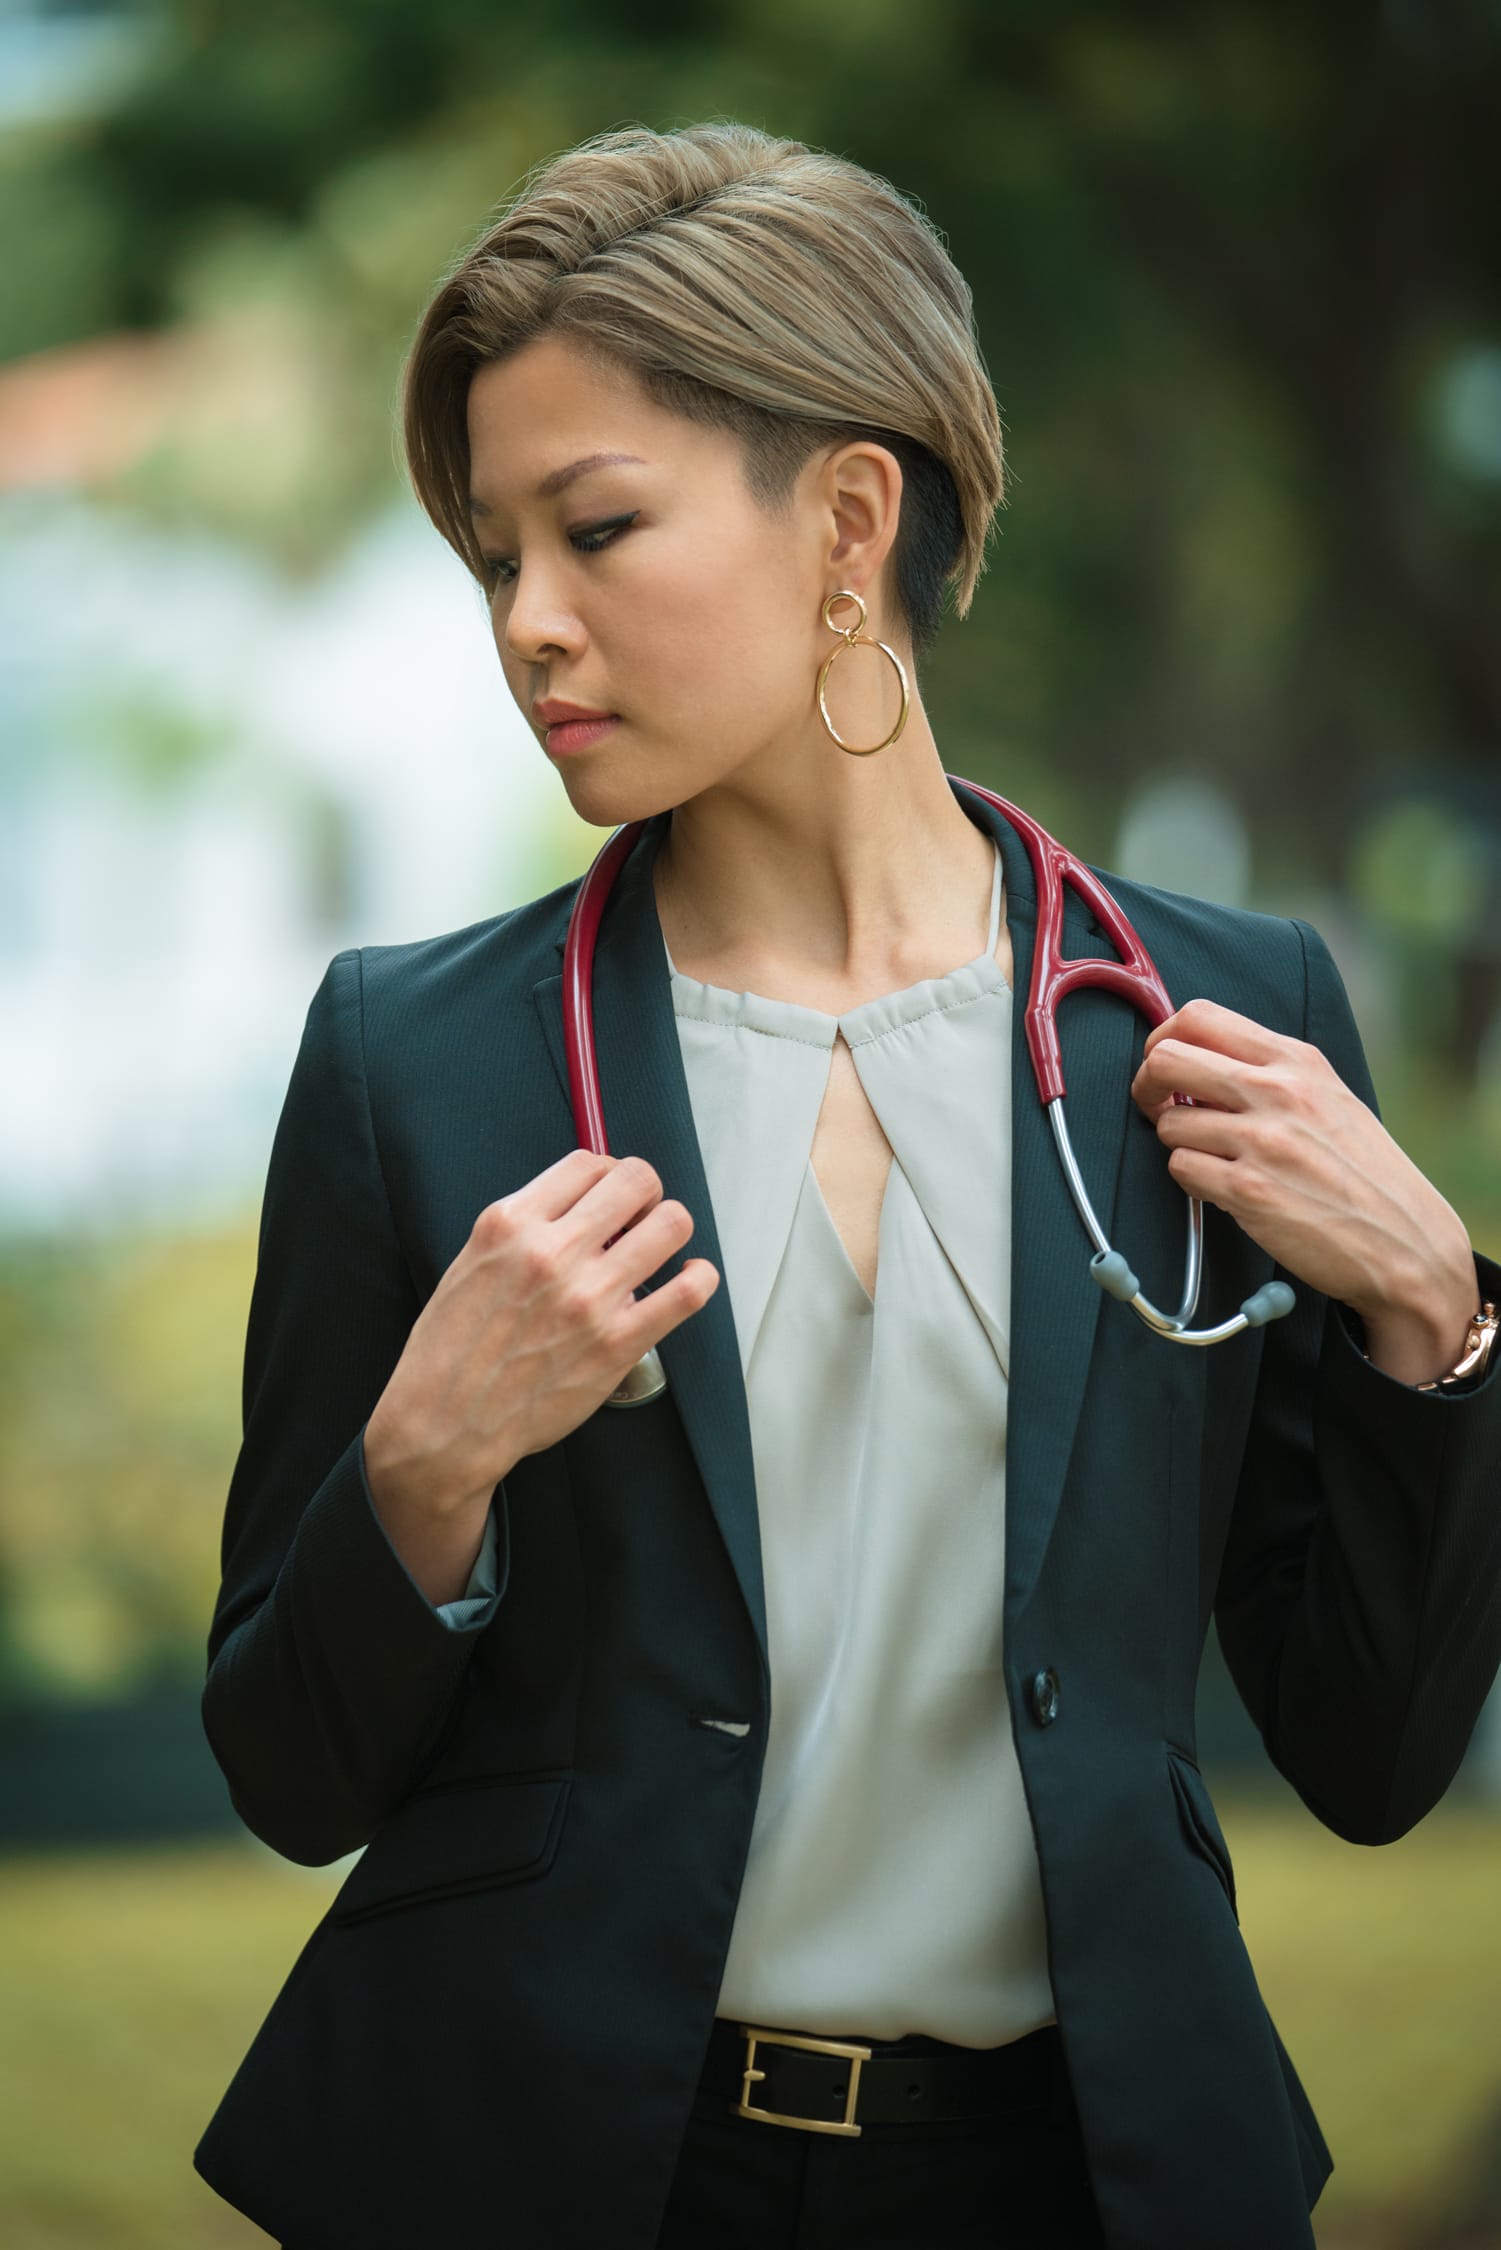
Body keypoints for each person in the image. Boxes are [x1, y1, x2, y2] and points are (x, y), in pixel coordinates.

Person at [192, 121, 1501, 2250]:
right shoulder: (410, 1058)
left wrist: (1433, 1322)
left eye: (593, 529)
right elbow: (286, 1774)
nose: (526, 625)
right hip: (559, 2177)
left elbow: (1368, 1755)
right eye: (491, 557)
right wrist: (421, 1470)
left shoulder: (1220, 1021)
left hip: (1086, 2185)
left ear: (847, 519)